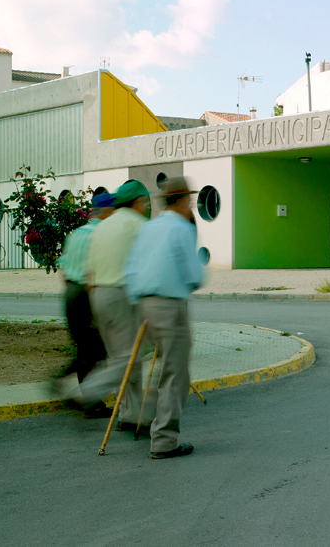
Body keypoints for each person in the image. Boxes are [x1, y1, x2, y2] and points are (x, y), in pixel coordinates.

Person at [123, 176, 209, 459]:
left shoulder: (149, 228)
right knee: (176, 373)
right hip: (170, 305)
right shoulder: (180, 229)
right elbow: (194, 274)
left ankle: (150, 414)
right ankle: (163, 440)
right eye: (190, 201)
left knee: (162, 366)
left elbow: (132, 269)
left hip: (143, 303)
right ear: (184, 201)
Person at [72, 179, 152, 419]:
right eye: (145, 201)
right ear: (137, 202)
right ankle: (87, 392)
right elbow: (149, 263)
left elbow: (88, 273)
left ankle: (130, 414)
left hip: (98, 294)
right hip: (121, 294)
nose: (146, 206)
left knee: (124, 358)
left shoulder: (102, 226)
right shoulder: (138, 223)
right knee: (129, 359)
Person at [55, 192, 113, 395]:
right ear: (107, 212)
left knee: (83, 347)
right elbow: (91, 273)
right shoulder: (102, 235)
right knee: (96, 349)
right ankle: (92, 401)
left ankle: (65, 381)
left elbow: (62, 268)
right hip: (86, 293)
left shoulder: (76, 234)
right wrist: (94, 306)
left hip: (70, 291)